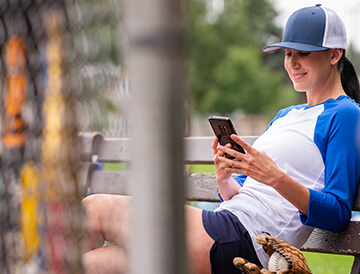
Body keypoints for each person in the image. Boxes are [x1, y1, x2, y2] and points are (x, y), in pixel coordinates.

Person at [81, 4, 360, 273]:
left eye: (303, 53)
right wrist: (224, 178)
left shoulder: (346, 114)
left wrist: (273, 176)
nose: (292, 63)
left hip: (247, 242)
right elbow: (241, 193)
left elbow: (337, 213)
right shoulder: (287, 115)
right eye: (287, 54)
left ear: (334, 55)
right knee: (92, 265)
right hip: (226, 227)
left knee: (93, 209)